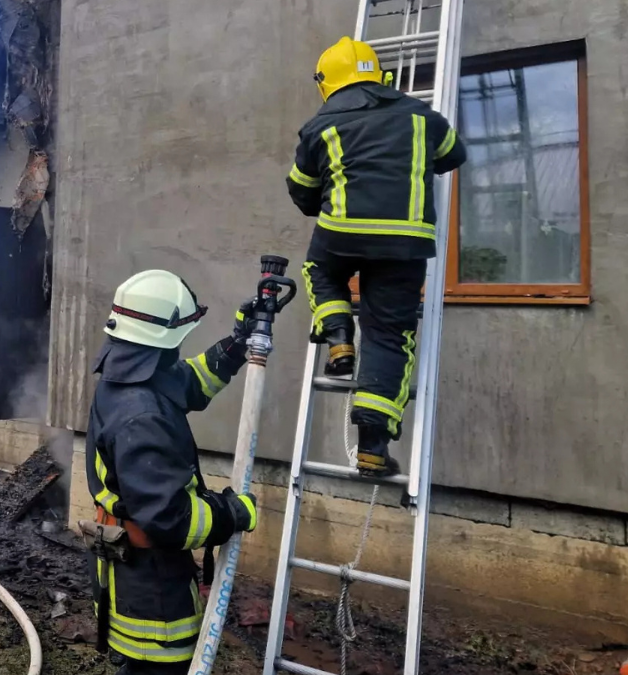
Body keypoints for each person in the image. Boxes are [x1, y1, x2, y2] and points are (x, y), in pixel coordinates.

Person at [286, 36, 467, 476]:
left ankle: (338, 336)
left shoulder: (319, 127)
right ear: (377, 75)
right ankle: (372, 445)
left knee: (319, 268)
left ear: (326, 83)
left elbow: (301, 190)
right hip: (404, 241)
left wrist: (331, 199)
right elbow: (453, 156)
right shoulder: (423, 117)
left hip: (342, 231)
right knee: (389, 334)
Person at [85, 269, 261, 674]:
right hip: (153, 589)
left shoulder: (128, 379)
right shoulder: (142, 416)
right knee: (155, 667)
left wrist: (236, 345)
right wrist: (234, 513)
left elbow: (189, 382)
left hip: (132, 571)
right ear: (165, 338)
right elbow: (171, 520)